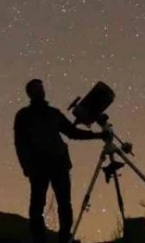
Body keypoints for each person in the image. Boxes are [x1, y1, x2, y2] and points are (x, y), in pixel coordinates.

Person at [14, 79, 107, 243]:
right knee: (37, 206)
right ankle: (39, 239)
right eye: (37, 88)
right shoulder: (23, 116)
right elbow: (20, 143)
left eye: (41, 87)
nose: (40, 90)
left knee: (64, 204)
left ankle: (64, 238)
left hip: (59, 164)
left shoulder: (53, 113)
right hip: (38, 167)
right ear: (30, 93)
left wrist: (98, 136)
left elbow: (72, 133)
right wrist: (26, 166)